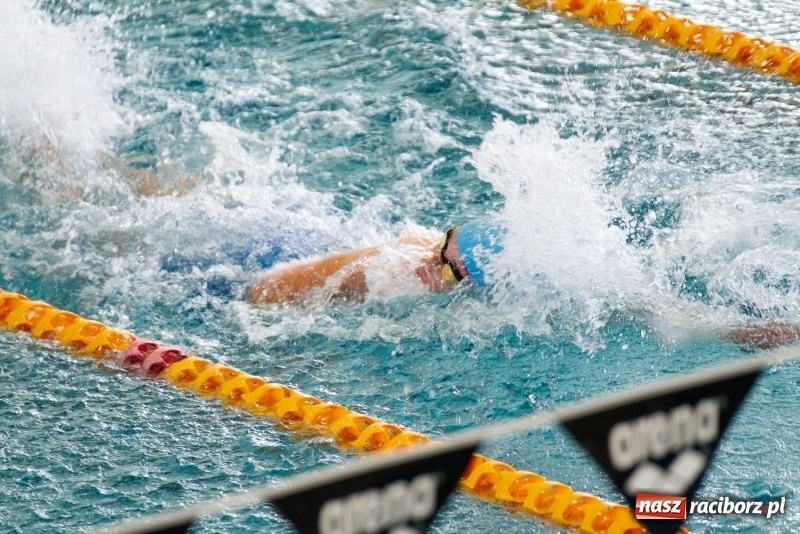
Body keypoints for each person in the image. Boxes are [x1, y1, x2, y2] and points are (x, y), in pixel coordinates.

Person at [246, 219, 507, 305]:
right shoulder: (394, 266)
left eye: (448, 270)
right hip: (264, 261)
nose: (427, 262)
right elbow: (267, 290)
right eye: (441, 244)